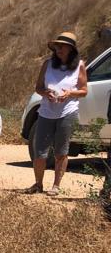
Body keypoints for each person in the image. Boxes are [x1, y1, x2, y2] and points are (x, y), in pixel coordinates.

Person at [25, 31, 87, 197]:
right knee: (40, 152)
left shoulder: (79, 65)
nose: (58, 49)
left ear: (71, 49)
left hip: (67, 112)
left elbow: (84, 91)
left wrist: (70, 94)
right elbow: (38, 87)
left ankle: (56, 186)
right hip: (46, 112)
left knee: (61, 151)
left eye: (62, 46)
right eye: (57, 46)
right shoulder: (47, 64)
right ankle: (38, 184)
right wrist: (46, 93)